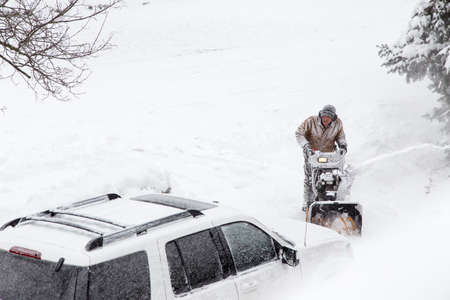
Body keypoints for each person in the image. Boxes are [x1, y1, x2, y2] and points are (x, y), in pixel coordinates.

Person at [295, 105, 347, 211]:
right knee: (310, 178)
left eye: (328, 117)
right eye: (324, 116)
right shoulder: (311, 121)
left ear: (333, 118)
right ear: (321, 115)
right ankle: (308, 202)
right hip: (313, 154)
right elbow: (299, 133)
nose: (325, 119)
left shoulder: (338, 124)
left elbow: (341, 137)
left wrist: (343, 145)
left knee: (334, 176)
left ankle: (332, 200)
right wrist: (306, 146)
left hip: (330, 155)